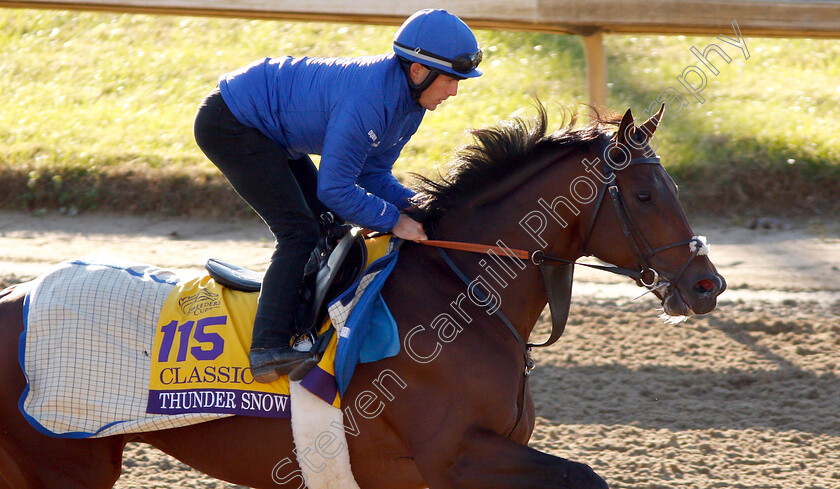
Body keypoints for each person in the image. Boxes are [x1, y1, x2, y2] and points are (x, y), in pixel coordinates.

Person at [193, 9, 483, 383]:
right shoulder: (370, 99)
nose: (454, 91)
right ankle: (267, 348)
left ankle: (305, 328)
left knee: (328, 227)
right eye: (449, 80)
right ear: (417, 71)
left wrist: (417, 206)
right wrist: (394, 220)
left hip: (270, 130)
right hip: (232, 122)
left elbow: (371, 175)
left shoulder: (411, 105)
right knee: (299, 232)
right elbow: (334, 188)